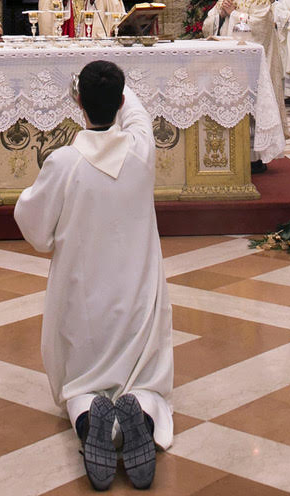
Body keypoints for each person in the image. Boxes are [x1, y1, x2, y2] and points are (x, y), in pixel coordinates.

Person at [15, 61, 172, 490]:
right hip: (137, 301)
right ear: (120, 102)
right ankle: (140, 415)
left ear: (79, 102)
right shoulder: (141, 149)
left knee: (80, 382)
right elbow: (135, 111)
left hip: (82, 302)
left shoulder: (63, 163)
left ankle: (89, 421)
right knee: (146, 380)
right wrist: (108, 89)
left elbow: (34, 227)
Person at [201, 0, 287, 156]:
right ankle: (232, 154)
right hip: (227, 64)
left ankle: (255, 156)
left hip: (252, 68)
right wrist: (221, 15)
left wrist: (233, 14)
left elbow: (260, 28)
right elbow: (207, 26)